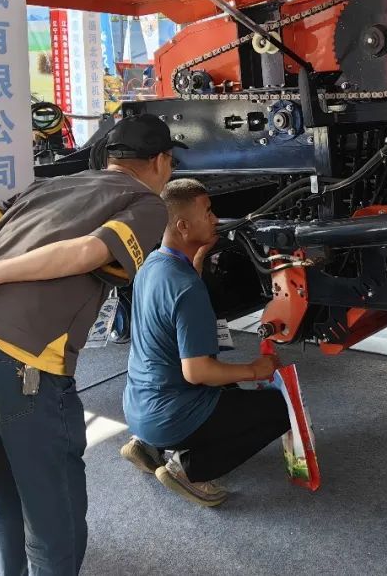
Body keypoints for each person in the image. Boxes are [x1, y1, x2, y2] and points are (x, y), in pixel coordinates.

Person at [0, 114, 181, 576]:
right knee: (52, 509)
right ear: (161, 161)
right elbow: (87, 252)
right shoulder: (145, 202)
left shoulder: (49, 185)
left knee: (1, 489)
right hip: (23, 359)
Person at [120, 178, 290, 508]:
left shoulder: (153, 265)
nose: (215, 219)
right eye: (208, 212)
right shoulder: (186, 288)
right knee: (280, 408)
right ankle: (188, 469)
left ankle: (146, 446)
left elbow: (173, 306)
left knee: (229, 390)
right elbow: (197, 372)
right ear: (183, 226)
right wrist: (256, 369)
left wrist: (196, 261)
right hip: (170, 415)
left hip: (138, 409)